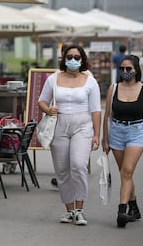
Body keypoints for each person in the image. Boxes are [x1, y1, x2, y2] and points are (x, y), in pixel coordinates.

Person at [38, 45, 101, 226]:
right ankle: (69, 210)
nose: (73, 60)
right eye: (69, 56)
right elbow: (41, 101)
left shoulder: (90, 81)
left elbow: (96, 110)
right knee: (62, 170)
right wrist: (49, 109)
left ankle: (80, 209)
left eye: (77, 57)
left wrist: (97, 134)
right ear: (64, 58)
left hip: (83, 126)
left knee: (78, 164)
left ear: (82, 60)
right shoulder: (53, 79)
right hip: (59, 125)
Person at [102, 55, 143, 228]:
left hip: (136, 132)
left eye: (129, 69)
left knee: (127, 171)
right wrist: (105, 140)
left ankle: (122, 211)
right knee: (125, 173)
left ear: (136, 70)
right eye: (122, 69)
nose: (125, 72)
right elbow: (106, 116)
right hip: (116, 132)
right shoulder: (114, 88)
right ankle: (134, 207)